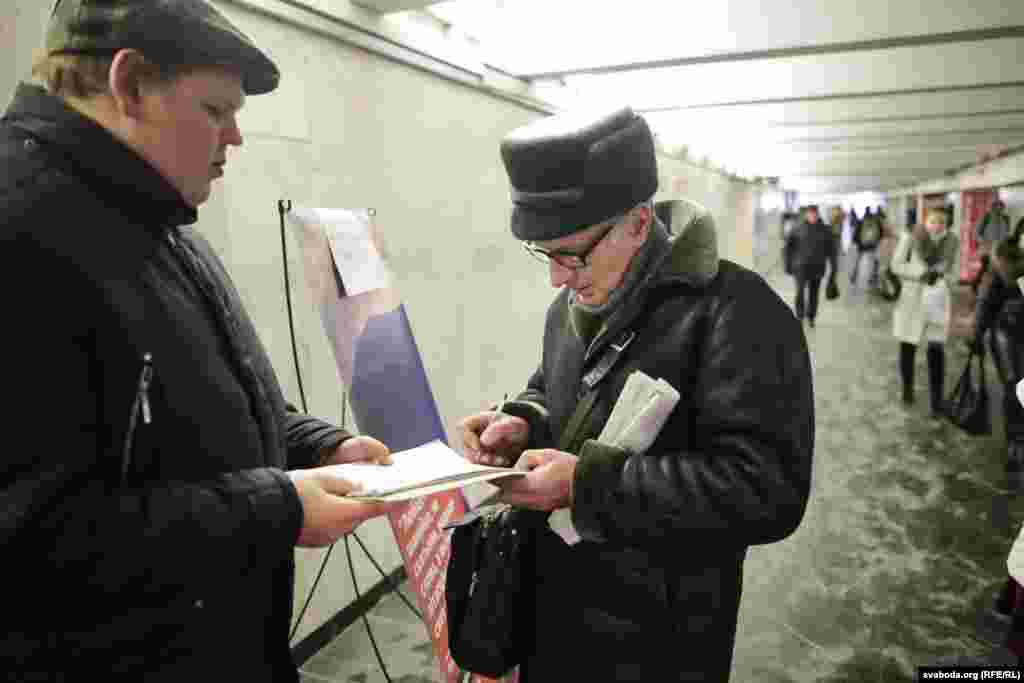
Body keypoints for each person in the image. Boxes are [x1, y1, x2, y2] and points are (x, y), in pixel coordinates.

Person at [0, 1, 394, 679]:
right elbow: (30, 536)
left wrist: (317, 445)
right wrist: (279, 508)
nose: (235, 137)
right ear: (129, 84)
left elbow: (192, 404)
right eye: (216, 110)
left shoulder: (153, 213)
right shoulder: (19, 229)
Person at [457, 107, 814, 682]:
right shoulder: (568, 308)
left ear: (639, 222)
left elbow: (767, 490)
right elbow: (556, 389)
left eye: (572, 254)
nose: (557, 277)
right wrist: (523, 421)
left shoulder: (738, 314)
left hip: (662, 640)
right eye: (546, 254)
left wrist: (586, 484)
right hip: (554, 614)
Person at [890, 208, 960, 416]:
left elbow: (954, 273)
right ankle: (907, 390)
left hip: (937, 302)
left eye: (942, 222)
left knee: (936, 351)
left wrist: (945, 278)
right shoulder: (911, 238)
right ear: (926, 221)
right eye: (933, 221)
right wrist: (921, 273)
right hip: (913, 300)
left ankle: (936, 401)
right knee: (908, 346)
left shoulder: (951, 242)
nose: (937, 225)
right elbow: (896, 265)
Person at [974, 238, 1024, 488]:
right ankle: (1016, 442)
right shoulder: (999, 279)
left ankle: (1016, 442)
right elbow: (986, 308)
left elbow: (986, 309)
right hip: (1007, 343)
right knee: (1013, 390)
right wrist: (978, 334)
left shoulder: (1004, 278)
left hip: (1008, 342)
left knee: (1013, 390)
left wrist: (978, 334)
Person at [784, 203, 838, 328]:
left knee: (814, 294)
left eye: (814, 214)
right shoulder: (797, 228)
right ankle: (799, 315)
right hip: (800, 267)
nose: (812, 216)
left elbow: (832, 251)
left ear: (818, 214)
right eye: (810, 214)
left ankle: (811, 316)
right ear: (806, 214)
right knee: (799, 292)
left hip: (817, 267)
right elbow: (788, 248)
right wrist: (788, 265)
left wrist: (834, 268)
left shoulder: (825, 230)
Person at [851, 206, 883, 287]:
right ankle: (873, 276)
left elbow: (856, 233)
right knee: (875, 260)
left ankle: (854, 275)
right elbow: (881, 233)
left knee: (857, 260)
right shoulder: (876, 221)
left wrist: (856, 242)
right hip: (873, 244)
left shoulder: (861, 221)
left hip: (862, 245)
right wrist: (877, 241)